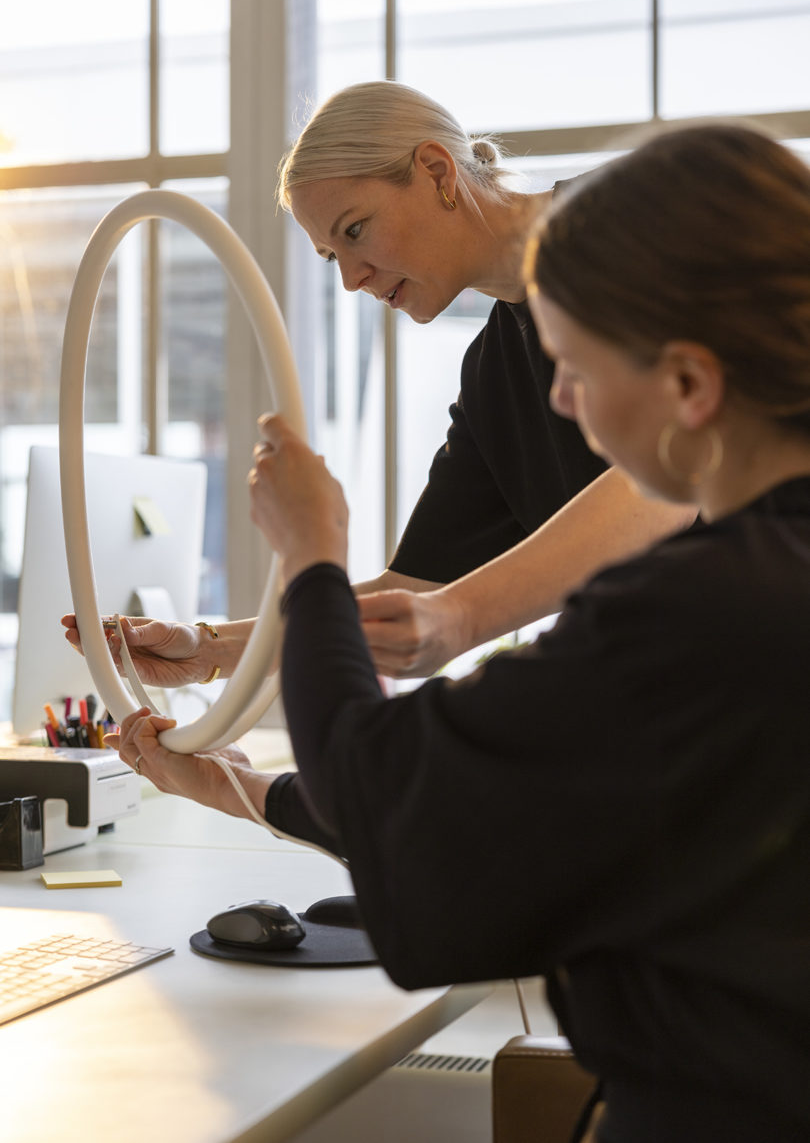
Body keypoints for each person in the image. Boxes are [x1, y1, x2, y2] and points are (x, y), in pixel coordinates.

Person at [108, 123, 810, 1142]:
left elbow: (405, 797)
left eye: (575, 366)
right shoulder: (726, 590)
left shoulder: (700, 613)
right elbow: (490, 761)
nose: (561, 402)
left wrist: (314, 556)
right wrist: (234, 665)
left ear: (692, 385)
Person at [62, 81, 693, 686]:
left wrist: (460, 618)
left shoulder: (629, 219)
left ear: (439, 172)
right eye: (333, 256)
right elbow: (418, 588)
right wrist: (212, 649)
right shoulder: (492, 374)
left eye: (355, 230)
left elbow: (673, 479)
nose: (351, 280)